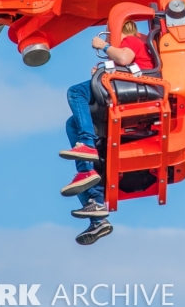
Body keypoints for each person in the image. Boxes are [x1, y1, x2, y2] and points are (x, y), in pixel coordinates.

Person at [60, 20, 155, 245]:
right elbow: (121, 61)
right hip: (119, 85)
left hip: (128, 87)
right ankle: (96, 214)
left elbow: (124, 58)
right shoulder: (131, 46)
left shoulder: (132, 40)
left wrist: (103, 46)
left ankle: (87, 142)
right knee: (72, 124)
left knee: (76, 92)